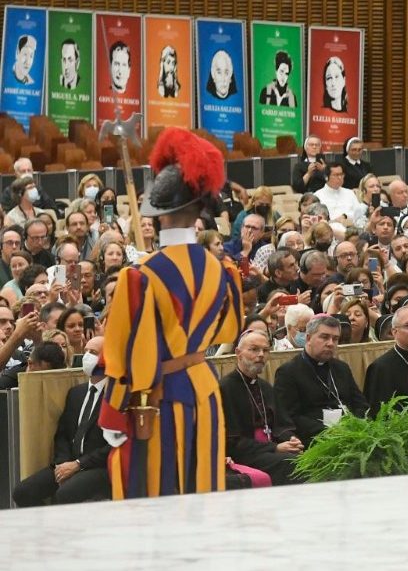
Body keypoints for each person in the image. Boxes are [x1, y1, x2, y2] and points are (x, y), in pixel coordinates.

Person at [97, 127, 245, 499]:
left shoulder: (141, 275)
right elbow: (229, 330)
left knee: (162, 494)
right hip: (206, 389)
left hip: (162, 399)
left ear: (160, 216)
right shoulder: (222, 269)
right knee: (204, 490)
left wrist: (114, 410)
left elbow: (132, 354)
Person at [11, 337, 111, 506]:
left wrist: (78, 465)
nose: (87, 356)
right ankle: (46, 531)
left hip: (98, 466)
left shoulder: (115, 395)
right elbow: (62, 435)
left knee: (64, 494)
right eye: (85, 351)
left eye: (93, 353)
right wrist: (63, 464)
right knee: (22, 492)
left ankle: (63, 531)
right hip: (68, 462)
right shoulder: (76, 393)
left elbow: (112, 445)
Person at [218, 329, 303, 486]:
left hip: (270, 450)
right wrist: (275, 448)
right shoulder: (225, 388)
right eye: (254, 349)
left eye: (265, 350)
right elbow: (232, 442)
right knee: (290, 463)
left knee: (308, 458)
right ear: (238, 353)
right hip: (246, 454)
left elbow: (282, 424)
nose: (261, 354)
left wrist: (290, 440)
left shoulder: (265, 387)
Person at [273, 314, 368, 444]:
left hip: (352, 434)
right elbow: (290, 417)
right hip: (315, 441)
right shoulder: (288, 372)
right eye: (324, 337)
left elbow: (361, 404)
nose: (330, 343)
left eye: (335, 339)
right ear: (308, 338)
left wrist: (356, 425)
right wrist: (330, 432)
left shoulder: (341, 368)